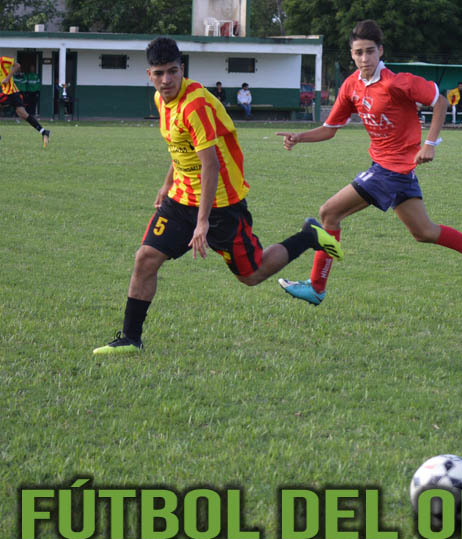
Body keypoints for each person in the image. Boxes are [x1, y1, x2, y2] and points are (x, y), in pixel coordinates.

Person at [92, 37, 339, 354]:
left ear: (182, 69)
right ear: (149, 74)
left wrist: (202, 222)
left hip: (222, 204)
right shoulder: (161, 99)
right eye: (159, 73)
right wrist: (167, 183)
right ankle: (130, 338)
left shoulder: (195, 105)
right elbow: (180, 148)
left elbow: (210, 165)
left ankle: (308, 236)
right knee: (146, 258)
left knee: (251, 275)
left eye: (172, 71)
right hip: (181, 199)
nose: (166, 80)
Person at [273, 20, 462, 304]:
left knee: (329, 213)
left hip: (391, 171)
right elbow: (330, 129)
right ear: (352, 54)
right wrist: (299, 137)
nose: (365, 58)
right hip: (390, 170)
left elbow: (440, 102)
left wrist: (430, 144)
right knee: (424, 232)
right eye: (359, 52)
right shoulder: (351, 86)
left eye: (370, 51)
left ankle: (316, 287)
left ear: (381, 51)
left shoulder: (398, 82)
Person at [0, 55, 51, 146]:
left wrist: (7, 78)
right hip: (8, 93)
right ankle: (44, 132)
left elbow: (17, 65)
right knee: (23, 114)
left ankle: (44, 132)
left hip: (11, 93)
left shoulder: (3, 60)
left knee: (23, 114)